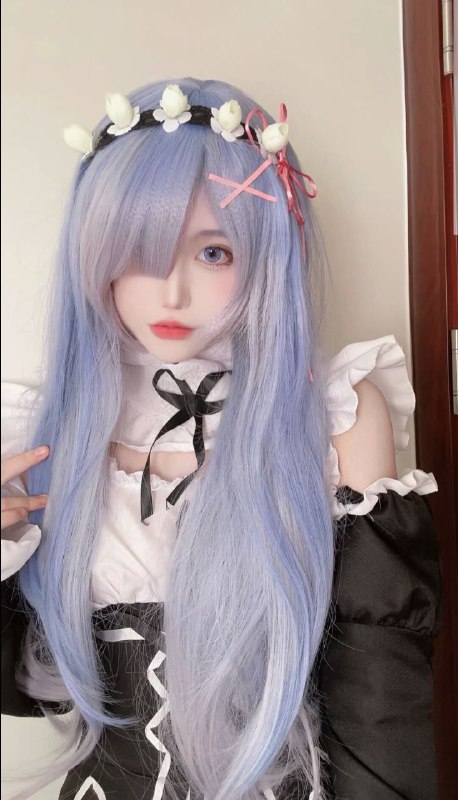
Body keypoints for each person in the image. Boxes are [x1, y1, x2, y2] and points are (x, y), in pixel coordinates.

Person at [1, 77, 441, 800]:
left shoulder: (334, 413)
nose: (170, 293)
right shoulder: (46, 428)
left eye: (213, 253)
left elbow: (381, 692)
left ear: (268, 254)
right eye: (138, 252)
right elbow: (25, 688)